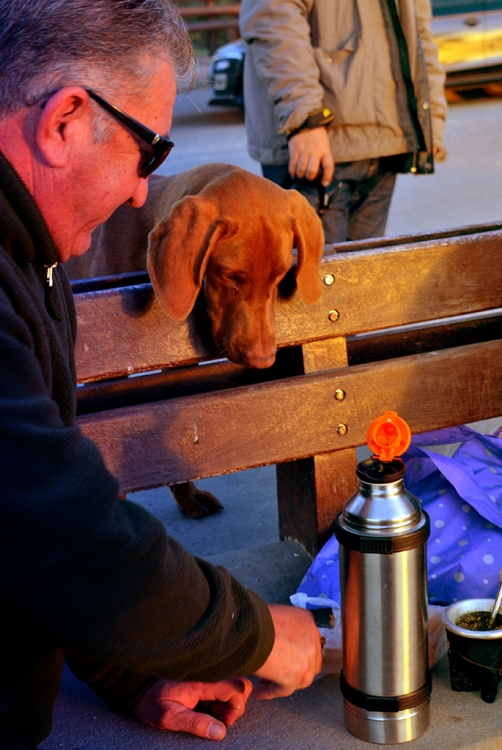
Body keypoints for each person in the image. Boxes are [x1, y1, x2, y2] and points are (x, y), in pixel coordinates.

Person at [0, 1, 322, 748]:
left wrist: (128, 676)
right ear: (65, 121)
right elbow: (63, 533)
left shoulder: (33, 259)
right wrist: (256, 637)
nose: (147, 192)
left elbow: (24, 525)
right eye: (147, 151)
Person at [240, 0, 448, 244]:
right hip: (317, 146)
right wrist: (305, 118)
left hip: (385, 139)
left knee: (365, 273)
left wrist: (429, 117)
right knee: (315, 276)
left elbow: (418, 29)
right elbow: (273, 18)